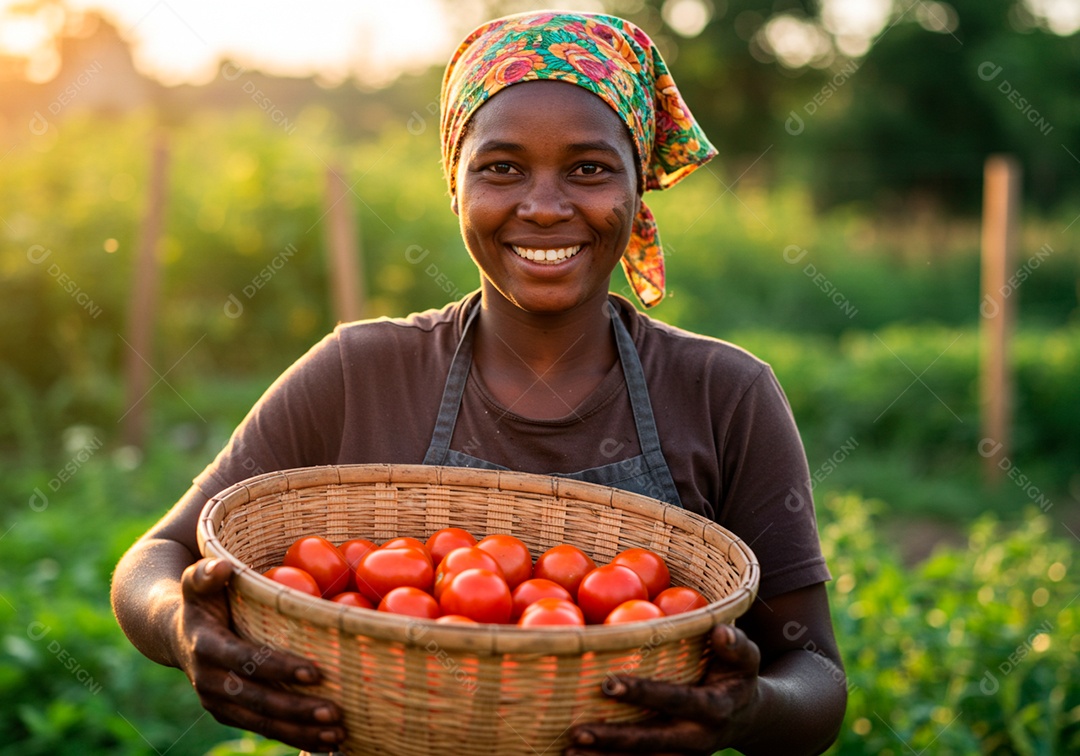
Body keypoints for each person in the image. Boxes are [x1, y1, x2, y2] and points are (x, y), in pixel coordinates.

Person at [111, 10, 847, 755]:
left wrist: (749, 709)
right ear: (455, 187)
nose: (545, 206)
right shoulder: (359, 373)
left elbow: (814, 672)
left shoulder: (726, 394)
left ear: (637, 189)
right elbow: (153, 561)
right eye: (501, 168)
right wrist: (182, 627)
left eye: (590, 168)